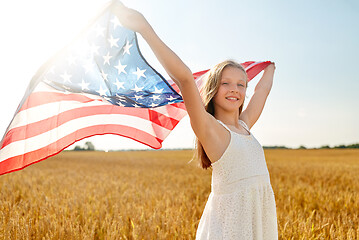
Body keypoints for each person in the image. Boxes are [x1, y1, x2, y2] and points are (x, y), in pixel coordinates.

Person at [113, 1, 278, 239]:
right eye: (226, 83)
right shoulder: (211, 130)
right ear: (213, 88)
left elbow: (262, 92)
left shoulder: (244, 125)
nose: (235, 90)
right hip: (231, 228)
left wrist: (271, 68)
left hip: (257, 222)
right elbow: (185, 79)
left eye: (241, 85)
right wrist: (144, 28)